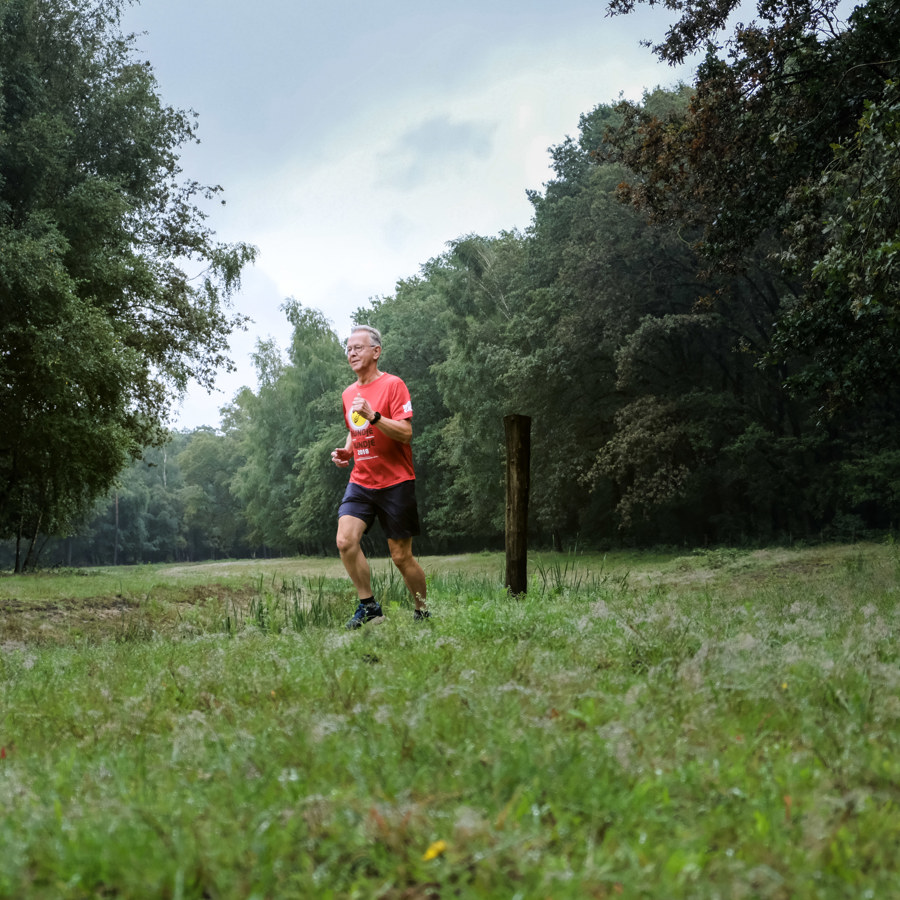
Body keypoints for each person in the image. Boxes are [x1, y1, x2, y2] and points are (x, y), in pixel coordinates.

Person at [331, 325, 430, 629]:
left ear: (376, 352)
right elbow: (354, 429)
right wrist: (348, 451)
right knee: (345, 540)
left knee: (400, 556)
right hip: (361, 480)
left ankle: (423, 611)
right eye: (348, 349)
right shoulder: (349, 393)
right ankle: (369, 607)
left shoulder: (393, 386)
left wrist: (375, 415)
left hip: (396, 481)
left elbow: (406, 433)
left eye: (358, 348)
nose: (351, 353)